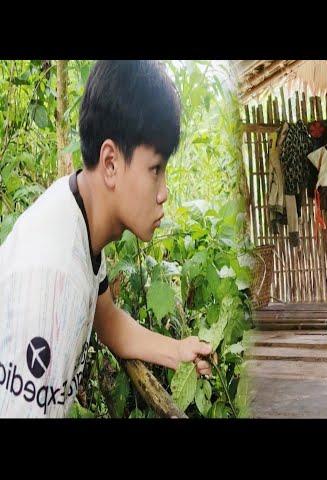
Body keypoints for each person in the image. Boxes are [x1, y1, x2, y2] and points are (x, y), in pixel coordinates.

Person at [0, 61, 212, 418]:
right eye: (155, 169)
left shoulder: (78, 210)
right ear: (111, 162)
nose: (164, 193)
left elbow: (109, 321)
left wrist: (177, 351)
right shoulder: (55, 280)